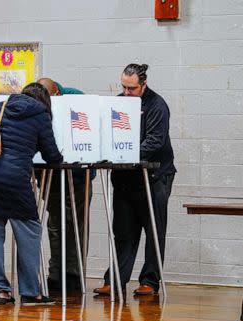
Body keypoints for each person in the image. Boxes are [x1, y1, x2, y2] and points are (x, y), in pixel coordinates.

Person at [0, 83, 63, 305]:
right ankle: (30, 292)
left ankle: (2, 292)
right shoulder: (40, 115)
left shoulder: (0, 107)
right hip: (15, 181)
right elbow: (51, 154)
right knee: (29, 231)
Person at [93, 64, 176, 297]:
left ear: (144, 85)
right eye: (124, 88)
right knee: (123, 231)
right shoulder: (118, 103)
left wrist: (125, 154)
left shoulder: (157, 105)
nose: (127, 93)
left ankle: (150, 281)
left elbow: (156, 141)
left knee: (154, 231)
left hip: (155, 175)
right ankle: (115, 280)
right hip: (125, 176)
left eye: (132, 88)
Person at [37, 77, 96, 291]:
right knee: (55, 223)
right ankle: (56, 273)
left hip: (79, 176)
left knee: (76, 224)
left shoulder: (76, 98)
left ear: (56, 94)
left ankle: (73, 273)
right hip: (49, 174)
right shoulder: (37, 100)